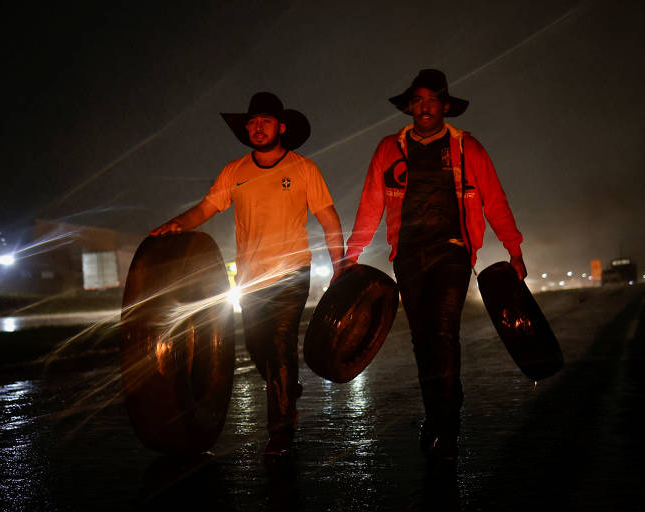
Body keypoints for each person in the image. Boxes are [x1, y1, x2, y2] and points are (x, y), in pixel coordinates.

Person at [345, 69, 526, 471]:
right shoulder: (389, 149)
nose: (424, 107)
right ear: (410, 107)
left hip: (453, 252)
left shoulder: (466, 148)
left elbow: (494, 199)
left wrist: (514, 249)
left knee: (443, 333)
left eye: (432, 100)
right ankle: (440, 407)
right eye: (418, 100)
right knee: (423, 339)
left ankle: (445, 426)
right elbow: (371, 203)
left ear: (445, 106)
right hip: (408, 255)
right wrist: (351, 254)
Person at [151, 92, 345, 461]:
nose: (257, 127)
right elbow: (206, 208)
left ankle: (280, 431)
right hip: (251, 276)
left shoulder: (304, 169)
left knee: (281, 344)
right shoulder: (235, 171)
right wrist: (177, 223)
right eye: (252, 122)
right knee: (257, 346)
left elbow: (329, 218)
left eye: (265, 121)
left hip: (291, 272)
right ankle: (286, 391)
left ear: (281, 127)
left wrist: (341, 265)